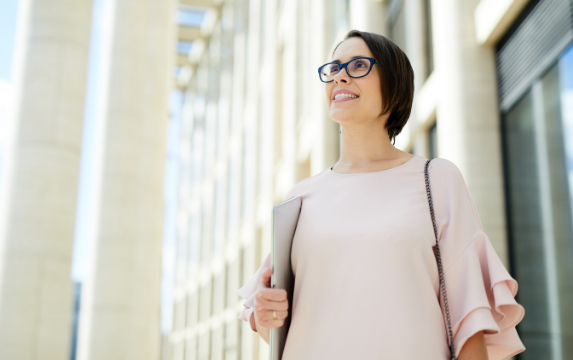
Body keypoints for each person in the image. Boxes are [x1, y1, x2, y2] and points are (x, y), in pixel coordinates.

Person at [235, 30, 525, 360]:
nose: (340, 76)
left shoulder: (436, 180)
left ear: (394, 85)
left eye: (358, 65)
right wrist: (265, 314)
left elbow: (469, 323)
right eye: (333, 69)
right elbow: (276, 328)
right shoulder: (299, 198)